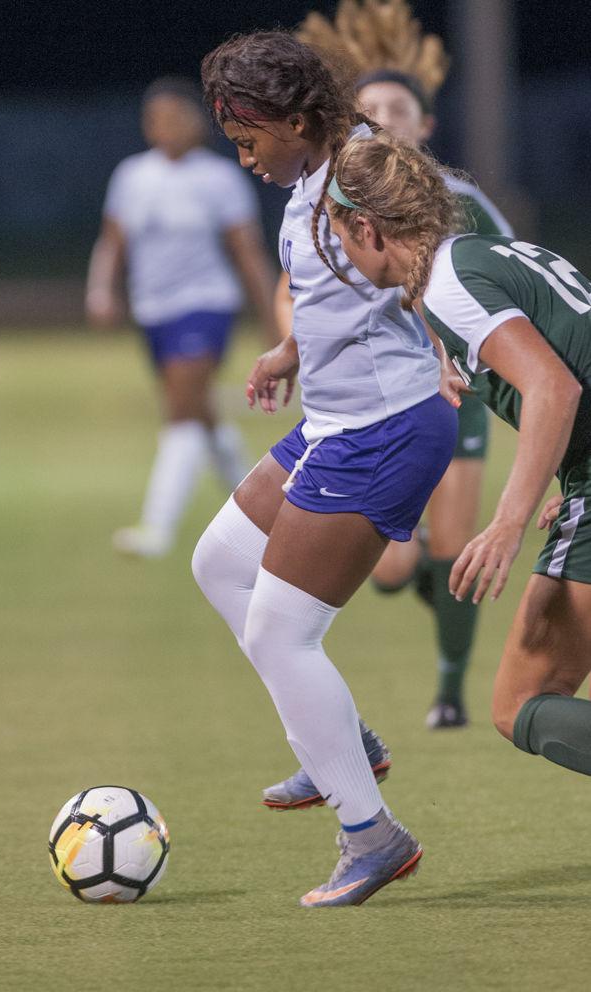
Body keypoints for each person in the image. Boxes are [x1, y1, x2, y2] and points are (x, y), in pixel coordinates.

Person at [193, 31, 458, 907]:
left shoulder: (356, 178)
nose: (245, 158)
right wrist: (289, 351)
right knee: (220, 563)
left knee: (279, 632)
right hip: (338, 421)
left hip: (383, 430)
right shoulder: (314, 178)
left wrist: (456, 347)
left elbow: (422, 261)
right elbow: (343, 291)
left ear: (299, 118)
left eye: (250, 139)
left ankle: (370, 834)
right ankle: (340, 744)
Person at [324, 130, 591, 783]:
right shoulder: (476, 258)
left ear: (368, 228)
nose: (337, 251)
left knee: (520, 702)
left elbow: (555, 386)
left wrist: (507, 521)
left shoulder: (450, 286)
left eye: (337, 232)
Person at [298, 0, 514, 728]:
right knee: (390, 568)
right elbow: (294, 291)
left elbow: (511, 281)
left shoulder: (466, 204)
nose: (384, 117)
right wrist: (290, 350)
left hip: (459, 392)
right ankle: (417, 569)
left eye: (399, 107)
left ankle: (450, 691)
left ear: (425, 126)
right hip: (379, 395)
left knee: (455, 545)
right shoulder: (332, 200)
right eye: (370, 108)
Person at [86, 77, 277, 558]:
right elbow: (113, 242)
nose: (165, 127)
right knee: (201, 414)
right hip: (154, 312)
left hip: (206, 305)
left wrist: (271, 318)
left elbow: (247, 253)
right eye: (156, 119)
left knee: (181, 413)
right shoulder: (132, 175)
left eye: (176, 117)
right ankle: (263, 511)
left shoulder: (218, 178)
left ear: (197, 123)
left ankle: (157, 528)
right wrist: (101, 290)